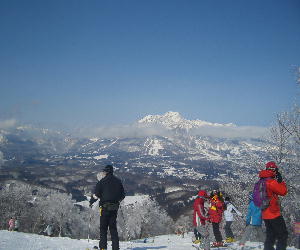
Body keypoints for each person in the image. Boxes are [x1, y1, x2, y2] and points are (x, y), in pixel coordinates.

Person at [89, 165, 125, 250]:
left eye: (104, 171)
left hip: (104, 209)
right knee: (113, 229)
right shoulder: (118, 181)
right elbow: (122, 195)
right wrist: (117, 201)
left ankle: (103, 248)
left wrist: (91, 202)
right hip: (114, 209)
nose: (104, 172)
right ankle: (115, 248)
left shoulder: (102, 182)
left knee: (103, 229)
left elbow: (96, 195)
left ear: (106, 172)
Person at [259, 161, 288, 250]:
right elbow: (283, 191)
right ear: (274, 170)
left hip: (265, 213)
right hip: (273, 213)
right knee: (283, 234)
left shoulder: (261, 180)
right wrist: (280, 181)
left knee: (271, 235)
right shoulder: (271, 182)